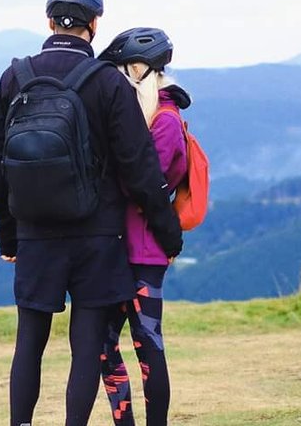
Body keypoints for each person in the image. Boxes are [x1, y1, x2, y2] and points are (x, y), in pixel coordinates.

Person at [0, 0, 184, 426]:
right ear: (94, 25)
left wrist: (8, 229)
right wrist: (168, 231)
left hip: (35, 233)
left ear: (49, 21)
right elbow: (139, 166)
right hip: (98, 235)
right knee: (86, 346)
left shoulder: (15, 76)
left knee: (28, 344)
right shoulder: (107, 82)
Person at [95, 27, 189, 426]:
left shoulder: (165, 121)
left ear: (137, 69)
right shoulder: (145, 117)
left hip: (145, 252)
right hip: (119, 250)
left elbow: (144, 184)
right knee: (102, 345)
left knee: (148, 344)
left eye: (119, 70)